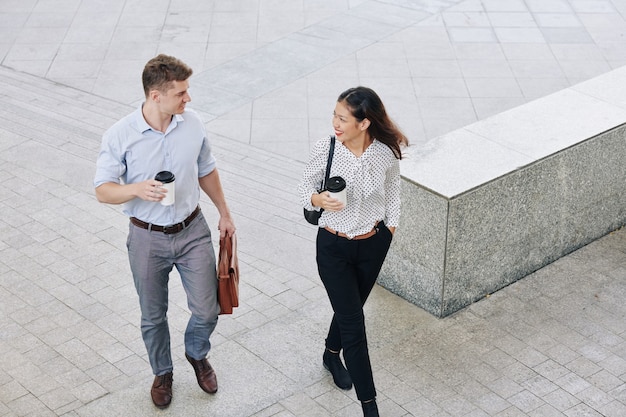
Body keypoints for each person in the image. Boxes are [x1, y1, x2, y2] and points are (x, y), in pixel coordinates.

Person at [94, 54, 236, 409]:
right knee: (153, 315)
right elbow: (102, 190)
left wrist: (225, 212)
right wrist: (136, 189)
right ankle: (163, 372)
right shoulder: (120, 135)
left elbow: (207, 169)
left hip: (192, 231)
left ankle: (195, 352)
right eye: (181, 94)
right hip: (146, 237)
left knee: (207, 310)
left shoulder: (192, 123)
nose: (188, 99)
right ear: (156, 96)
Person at [298, 86, 408, 417]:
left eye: (342, 118)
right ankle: (370, 407)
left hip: (372, 244)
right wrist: (318, 200)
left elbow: (393, 194)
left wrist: (389, 231)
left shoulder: (385, 153)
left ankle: (332, 353)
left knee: (351, 309)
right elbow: (304, 189)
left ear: (364, 123)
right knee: (354, 323)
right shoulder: (326, 149)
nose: (335, 122)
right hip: (333, 247)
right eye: (334, 115)